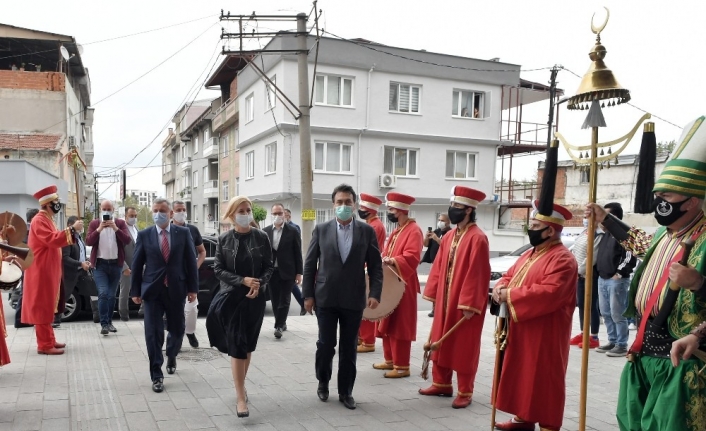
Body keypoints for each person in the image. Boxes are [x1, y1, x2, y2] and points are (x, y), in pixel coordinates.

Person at [586, 115, 706, 431]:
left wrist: (698, 283)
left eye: (666, 198)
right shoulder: (662, 236)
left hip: (683, 359)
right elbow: (635, 239)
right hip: (643, 352)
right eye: (658, 196)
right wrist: (604, 219)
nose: (659, 203)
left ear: (692, 201)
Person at [491, 201, 577, 431]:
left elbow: (549, 292)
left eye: (535, 225)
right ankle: (523, 418)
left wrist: (509, 294)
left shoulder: (563, 259)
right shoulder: (530, 254)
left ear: (550, 230)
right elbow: (509, 275)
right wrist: (500, 287)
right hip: (521, 326)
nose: (531, 229)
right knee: (523, 373)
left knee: (544, 377)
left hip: (546, 330)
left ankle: (548, 424)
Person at [302, 184, 383, 410]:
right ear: (333, 205)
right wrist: (307, 295)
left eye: (348, 202)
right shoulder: (321, 229)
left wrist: (375, 293)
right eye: (340, 202)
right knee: (326, 345)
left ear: (355, 205)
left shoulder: (367, 232)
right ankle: (323, 381)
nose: (344, 206)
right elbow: (309, 265)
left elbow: (376, 266)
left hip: (353, 299)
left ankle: (346, 391)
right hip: (325, 299)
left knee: (349, 348)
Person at [420, 186, 490, 409]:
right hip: (445, 300)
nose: (452, 210)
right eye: (451, 206)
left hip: (464, 304)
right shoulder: (450, 235)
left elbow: (477, 273)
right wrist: (433, 292)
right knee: (440, 338)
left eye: (457, 207)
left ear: (469, 210)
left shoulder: (478, 238)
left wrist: (470, 304)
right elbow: (439, 265)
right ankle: (441, 383)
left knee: (463, 346)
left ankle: (465, 391)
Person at [206, 196, 273, 418]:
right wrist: (242, 280)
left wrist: (259, 283)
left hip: (255, 300)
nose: (246, 214)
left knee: (248, 346)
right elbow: (218, 269)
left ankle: (241, 385)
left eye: (248, 210)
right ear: (232, 214)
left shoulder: (262, 237)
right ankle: (240, 397)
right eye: (241, 210)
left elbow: (269, 267)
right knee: (236, 344)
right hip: (232, 299)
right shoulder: (224, 239)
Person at [130, 198, 198, 393]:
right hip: (152, 291)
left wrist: (193, 289)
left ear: (170, 214)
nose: (158, 213)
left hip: (176, 289)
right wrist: (135, 291)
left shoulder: (183, 233)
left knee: (177, 329)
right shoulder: (144, 235)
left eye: (162, 210)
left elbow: (191, 263)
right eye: (155, 210)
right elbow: (136, 264)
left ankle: (171, 353)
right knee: (153, 333)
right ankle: (156, 375)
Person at [22, 185, 82, 355]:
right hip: (41, 270)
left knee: (48, 305)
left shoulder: (48, 219)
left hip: (49, 269)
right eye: (55, 201)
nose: (58, 204)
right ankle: (44, 344)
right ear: (48, 203)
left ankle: (49, 340)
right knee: (42, 306)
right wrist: (71, 229)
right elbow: (52, 239)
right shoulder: (40, 220)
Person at [374, 192, 423, 378]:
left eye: (391, 209)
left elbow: (412, 256)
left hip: (404, 283)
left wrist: (393, 260)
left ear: (401, 210)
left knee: (400, 325)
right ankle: (390, 360)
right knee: (387, 320)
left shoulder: (414, 230)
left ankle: (402, 366)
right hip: (392, 281)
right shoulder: (397, 230)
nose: (389, 212)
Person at [594, 202, 636, 357]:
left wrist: (619, 273)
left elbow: (630, 255)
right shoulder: (605, 234)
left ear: (613, 217)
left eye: (604, 215)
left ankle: (621, 344)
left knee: (617, 314)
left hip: (616, 280)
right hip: (603, 279)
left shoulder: (623, 234)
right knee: (605, 312)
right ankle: (612, 340)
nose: (600, 220)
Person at [86, 199, 131, 336]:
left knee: (111, 295)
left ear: (113, 210)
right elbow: (88, 241)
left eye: (109, 208)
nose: (106, 211)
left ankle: (110, 322)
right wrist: (99, 229)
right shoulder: (95, 223)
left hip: (116, 264)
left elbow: (127, 240)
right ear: (100, 209)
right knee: (103, 293)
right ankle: (104, 324)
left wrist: (115, 229)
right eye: (104, 208)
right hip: (100, 265)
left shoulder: (120, 223)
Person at [263, 203, 303, 339]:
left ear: (284, 214)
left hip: (288, 271)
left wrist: (299, 273)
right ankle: (281, 322)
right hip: (271, 271)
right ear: (271, 215)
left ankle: (279, 325)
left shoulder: (293, 231)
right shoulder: (265, 231)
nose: (277, 216)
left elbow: (298, 253)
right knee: (274, 299)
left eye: (280, 213)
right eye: (274, 213)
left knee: (285, 299)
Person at [171, 201, 207, 348]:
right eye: (178, 210)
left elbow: (202, 251)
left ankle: (190, 332)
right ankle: (176, 339)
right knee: (175, 310)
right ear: (172, 212)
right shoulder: (167, 229)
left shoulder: (192, 230)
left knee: (191, 308)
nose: (182, 212)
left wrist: (195, 267)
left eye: (184, 210)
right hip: (172, 277)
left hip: (189, 277)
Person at [356, 193, 387, 354]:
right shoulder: (373, 224)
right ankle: (362, 338)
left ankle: (368, 340)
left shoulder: (374, 226)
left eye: (362, 208)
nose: (360, 210)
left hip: (368, 269)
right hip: (366, 267)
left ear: (369, 210)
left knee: (366, 307)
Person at [569, 217, 603, 349]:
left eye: (589, 217)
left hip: (589, 275)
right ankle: (584, 333)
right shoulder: (584, 232)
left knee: (591, 306)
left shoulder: (598, 235)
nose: (586, 219)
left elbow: (591, 257)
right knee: (582, 306)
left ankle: (594, 336)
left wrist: (579, 271)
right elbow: (575, 250)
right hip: (579, 275)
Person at [61, 216, 91, 324]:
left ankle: (97, 315)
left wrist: (86, 261)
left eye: (82, 224)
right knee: (65, 295)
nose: (81, 226)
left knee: (91, 292)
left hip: (81, 271)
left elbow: (81, 253)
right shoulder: (67, 238)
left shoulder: (79, 237)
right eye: (79, 224)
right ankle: (55, 319)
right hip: (70, 272)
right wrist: (80, 263)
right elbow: (65, 257)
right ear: (70, 225)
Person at [421, 213, 452, 318]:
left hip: (445, 264)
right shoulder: (436, 231)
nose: (440, 222)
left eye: (442, 220)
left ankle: (442, 308)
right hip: (434, 263)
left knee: (442, 287)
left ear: (448, 222)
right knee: (434, 287)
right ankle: (434, 309)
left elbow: (448, 245)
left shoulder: (451, 233)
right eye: (439, 220)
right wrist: (427, 237)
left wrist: (436, 238)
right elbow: (425, 244)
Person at [15, 208, 39, 329]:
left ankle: (23, 318)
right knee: (25, 292)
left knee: (26, 292)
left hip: (27, 264)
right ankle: (19, 319)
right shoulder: (28, 230)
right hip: (27, 265)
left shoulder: (27, 229)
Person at [119, 207, 138, 322]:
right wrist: (124, 267)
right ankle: (124, 315)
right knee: (125, 291)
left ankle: (143, 310)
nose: (134, 218)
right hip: (126, 266)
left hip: (138, 265)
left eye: (135, 216)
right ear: (125, 216)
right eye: (131, 216)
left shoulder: (136, 228)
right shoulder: (122, 230)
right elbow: (118, 251)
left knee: (144, 286)